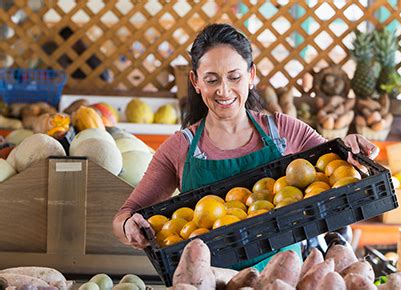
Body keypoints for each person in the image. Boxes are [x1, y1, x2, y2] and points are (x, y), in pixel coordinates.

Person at [112, 23, 378, 271]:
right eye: (212, 79)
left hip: (282, 280)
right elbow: (124, 215)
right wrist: (128, 226)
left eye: (234, 77)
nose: (224, 91)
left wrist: (350, 149)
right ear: (195, 81)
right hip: (207, 281)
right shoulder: (180, 147)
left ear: (251, 76)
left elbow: (338, 170)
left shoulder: (284, 129)